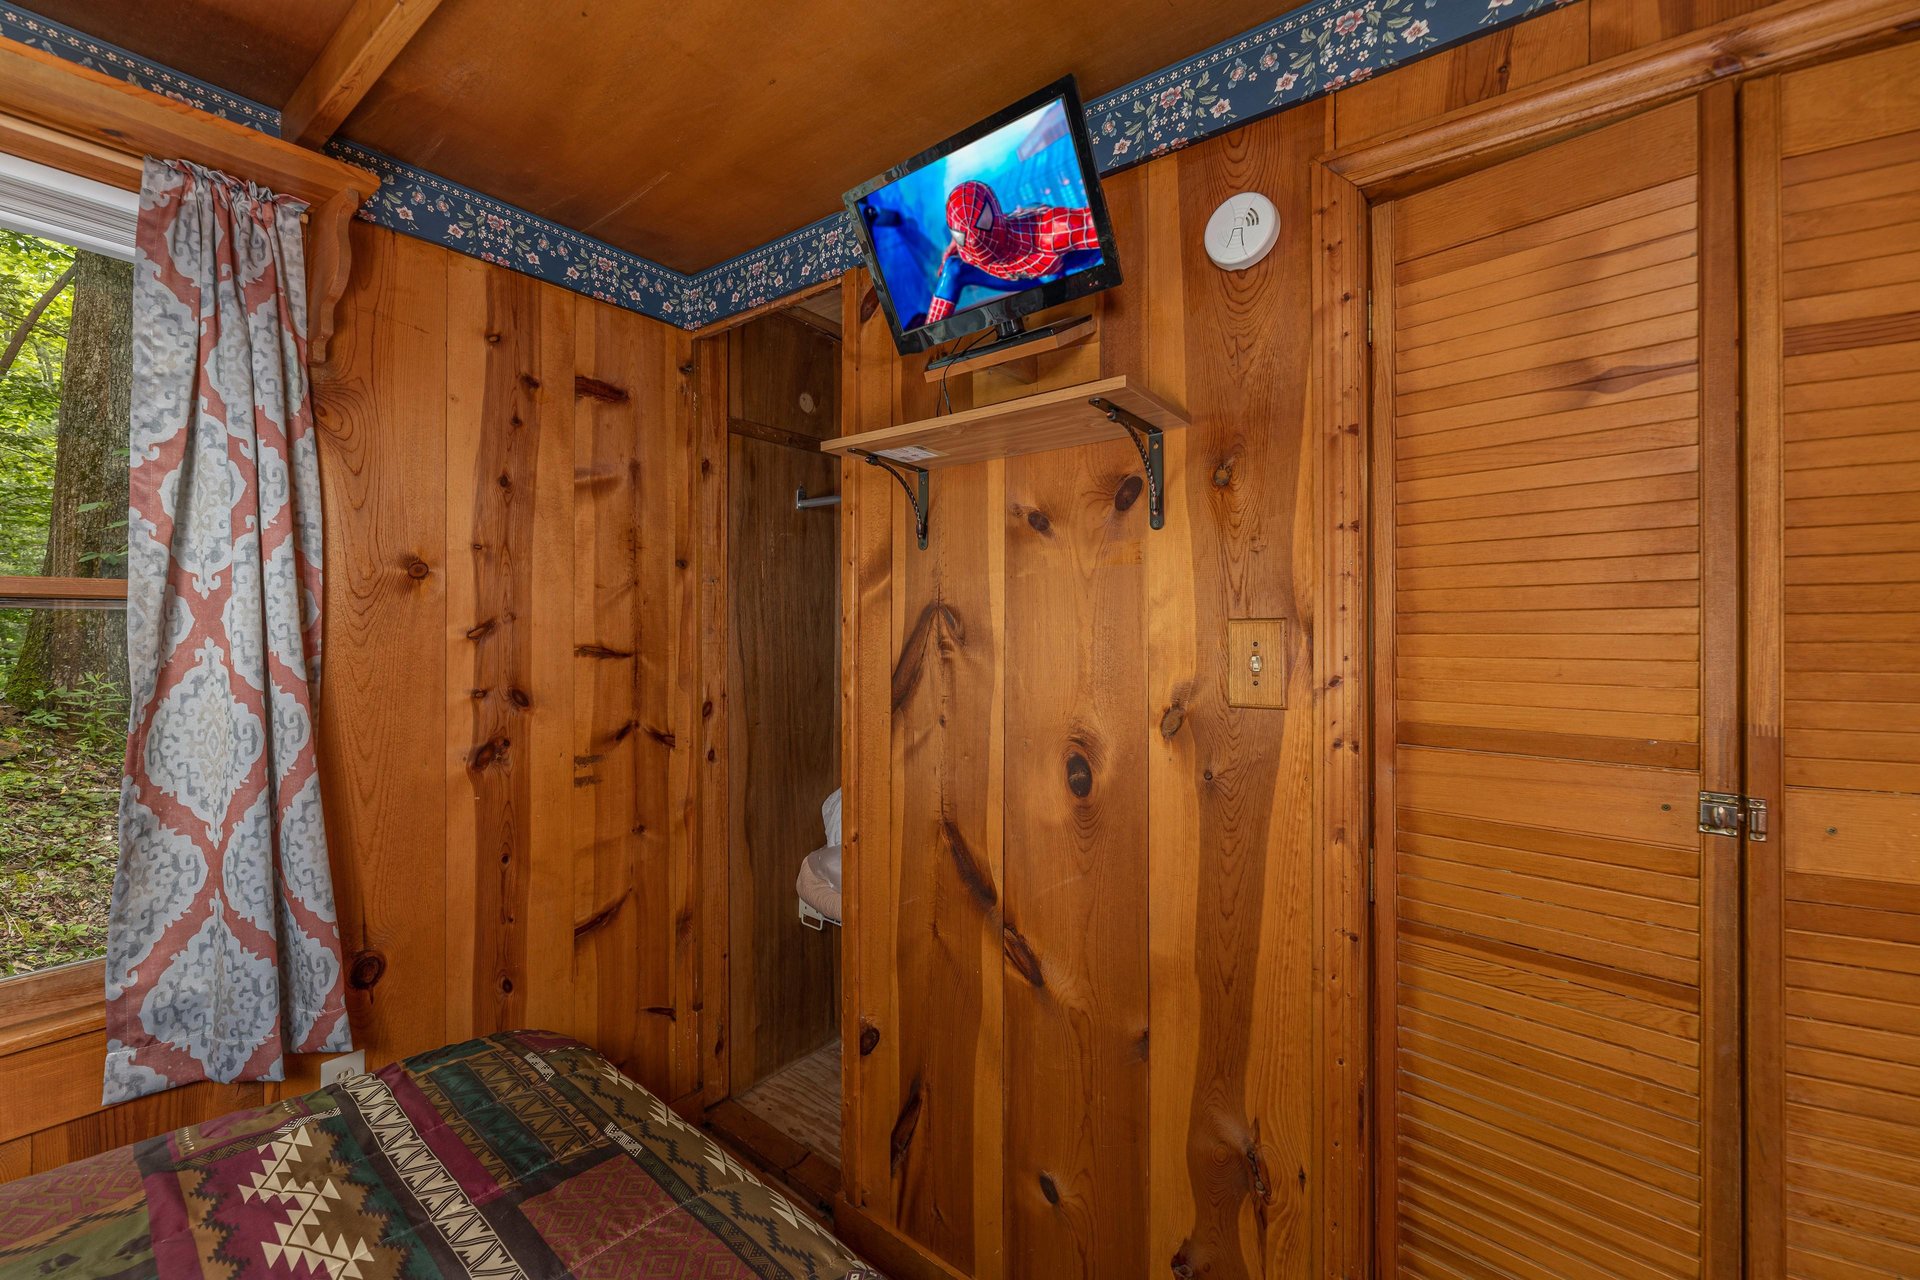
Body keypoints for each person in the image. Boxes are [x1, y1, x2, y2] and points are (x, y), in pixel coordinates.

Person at [922, 180, 1101, 323]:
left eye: (979, 230)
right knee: (953, 269)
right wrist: (955, 244)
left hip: (1050, 269)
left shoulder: (1050, 231)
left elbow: (1103, 223)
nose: (974, 244)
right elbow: (968, 224)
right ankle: (931, 338)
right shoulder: (966, 245)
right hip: (1018, 272)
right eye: (962, 235)